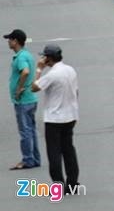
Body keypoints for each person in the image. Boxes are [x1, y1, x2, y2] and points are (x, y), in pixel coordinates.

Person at [29, 44, 79, 193]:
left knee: (54, 152)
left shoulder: (52, 75)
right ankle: (72, 183)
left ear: (48, 59)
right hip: (70, 116)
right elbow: (76, 91)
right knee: (68, 150)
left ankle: (58, 184)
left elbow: (34, 87)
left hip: (54, 119)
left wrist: (39, 69)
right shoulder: (70, 70)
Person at [5, 29, 40, 170]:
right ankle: (35, 158)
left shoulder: (20, 57)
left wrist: (19, 88)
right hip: (30, 99)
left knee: (25, 131)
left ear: (16, 41)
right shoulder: (26, 54)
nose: (8, 41)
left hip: (23, 100)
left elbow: (25, 71)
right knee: (31, 130)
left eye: (10, 39)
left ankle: (27, 160)